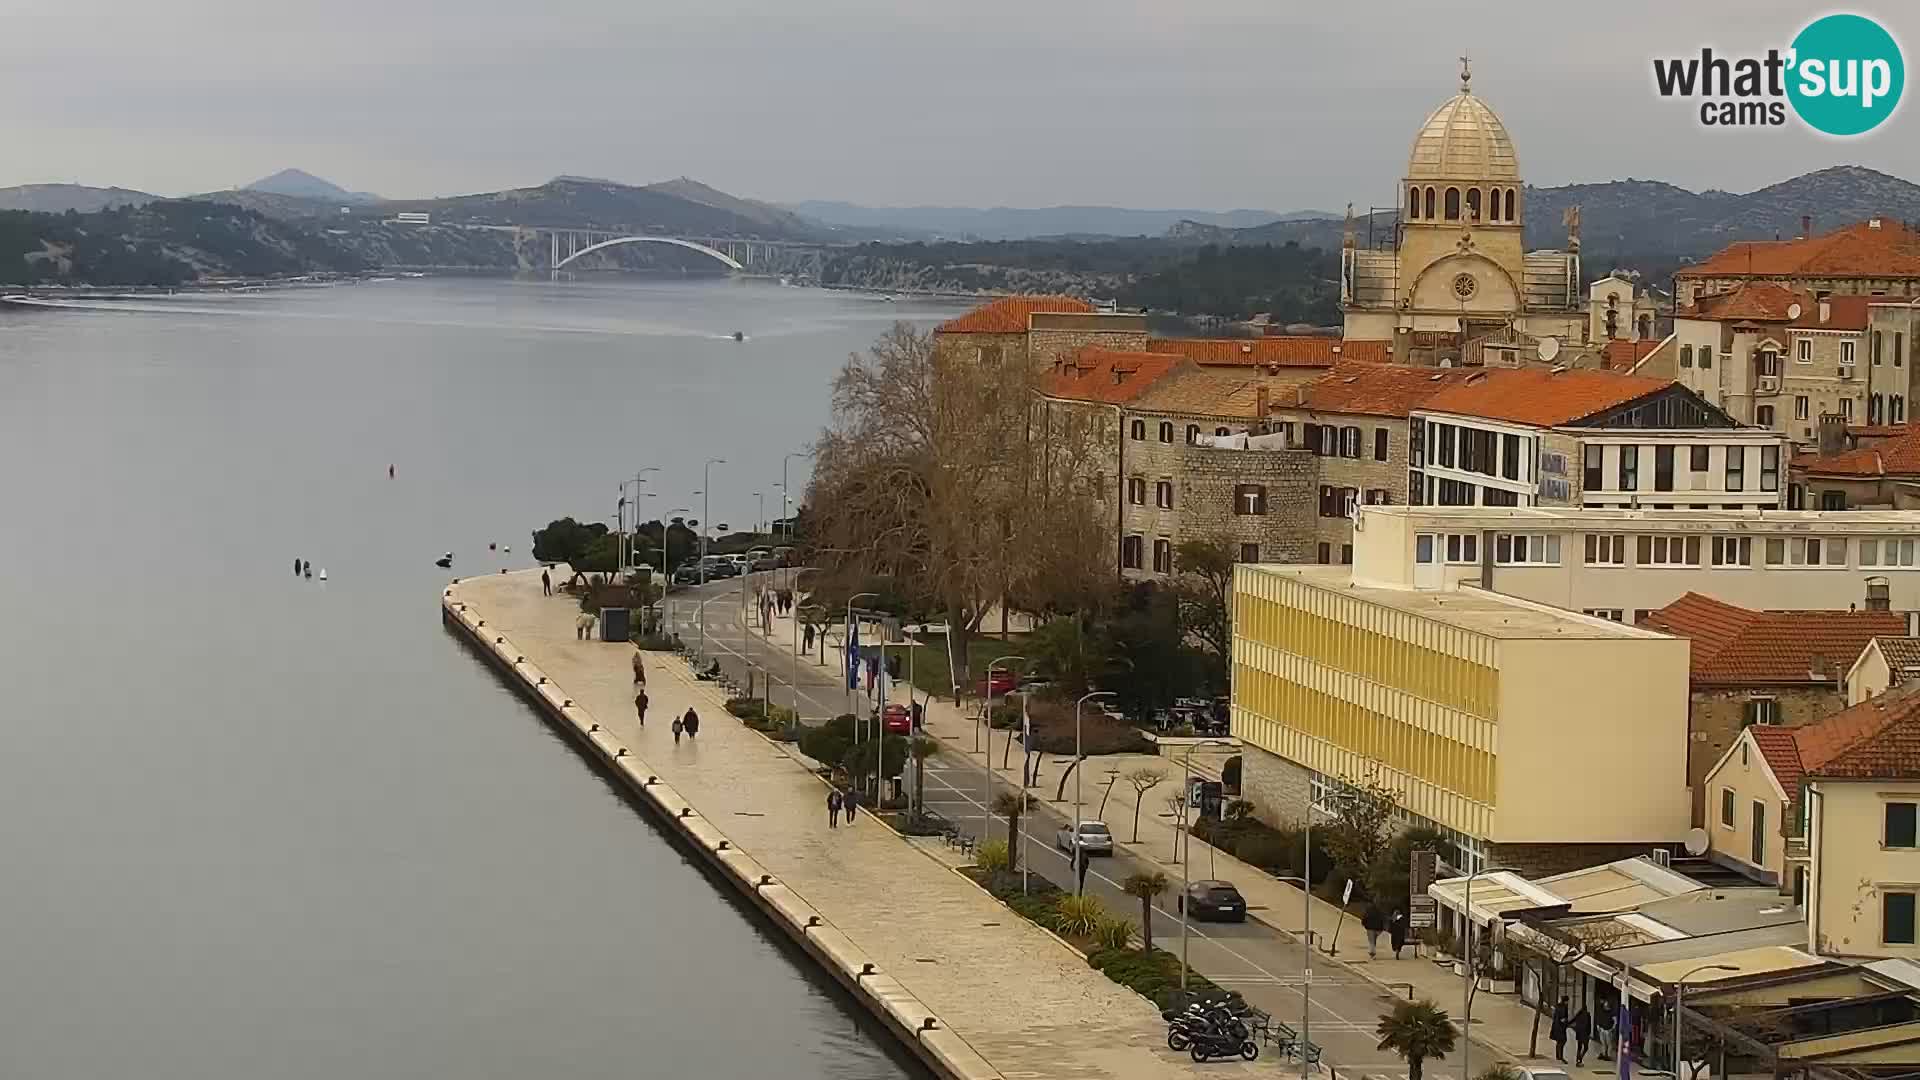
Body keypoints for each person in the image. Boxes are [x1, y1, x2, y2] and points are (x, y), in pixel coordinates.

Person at [1551, 997, 1570, 1064]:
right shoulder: (1563, 1007)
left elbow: (1554, 1016)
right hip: (1560, 1027)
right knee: (1562, 1041)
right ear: (1565, 1001)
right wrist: (1567, 1023)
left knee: (1559, 1042)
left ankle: (1558, 1056)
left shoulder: (1557, 1006)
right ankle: (1560, 1057)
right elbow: (1562, 1019)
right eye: (1567, 1001)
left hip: (1556, 1027)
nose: (1568, 1003)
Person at [1572, 1003, 1593, 1067]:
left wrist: (1567, 1024)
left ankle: (1578, 1059)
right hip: (1585, 1034)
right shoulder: (1588, 1015)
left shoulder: (1579, 1014)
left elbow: (1573, 1020)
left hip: (1579, 1033)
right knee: (1586, 1047)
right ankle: (1580, 1058)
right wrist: (1589, 1034)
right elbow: (1589, 1025)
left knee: (1579, 1047)